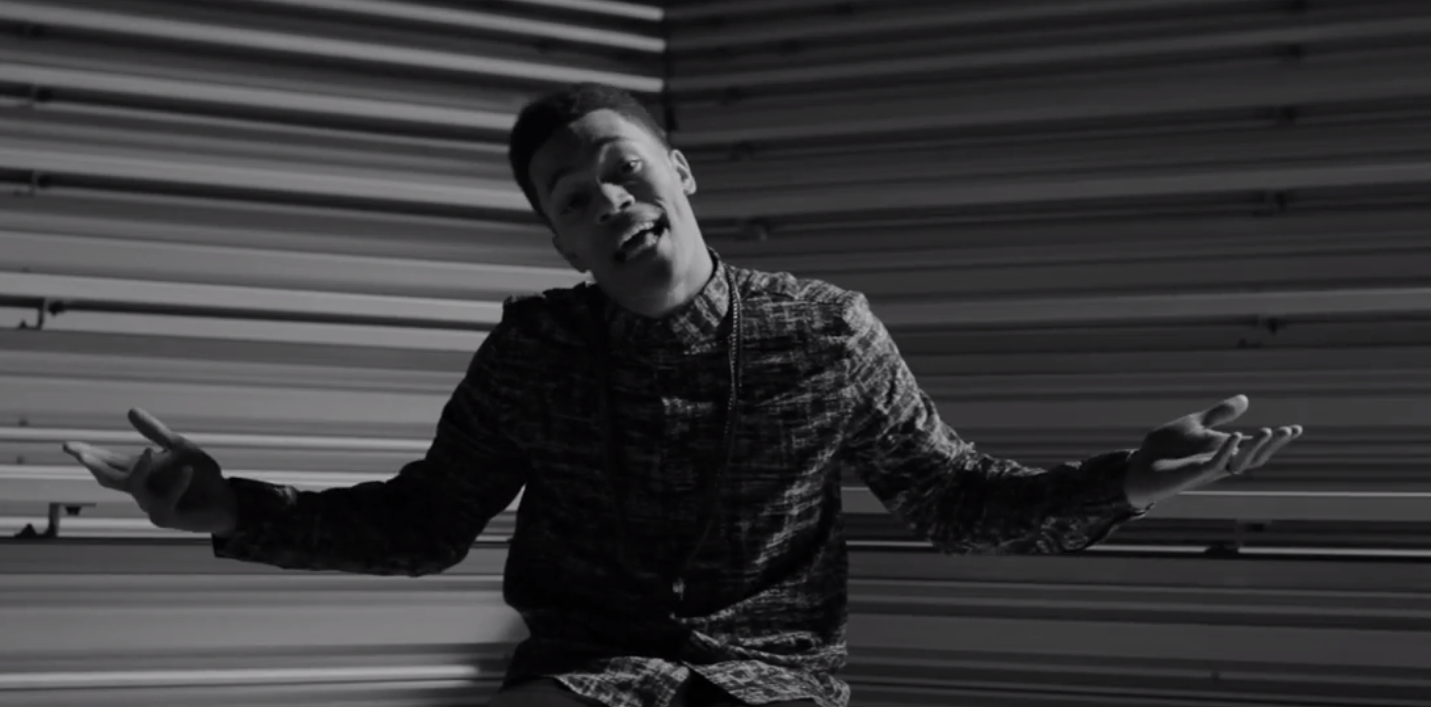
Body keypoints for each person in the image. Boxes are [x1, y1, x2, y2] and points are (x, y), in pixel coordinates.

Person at [63, 82, 1303, 707]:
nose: (607, 198)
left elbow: (956, 499)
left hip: (775, 683)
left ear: (682, 173)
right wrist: (230, 507)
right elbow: (424, 522)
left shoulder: (827, 331)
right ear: (561, 241)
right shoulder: (533, 354)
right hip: (583, 676)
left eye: (624, 168)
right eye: (572, 196)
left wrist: (1129, 480)